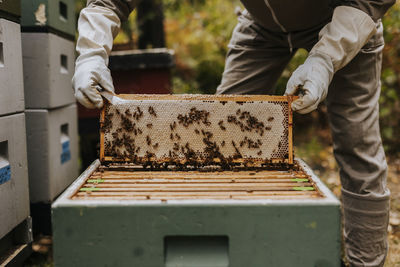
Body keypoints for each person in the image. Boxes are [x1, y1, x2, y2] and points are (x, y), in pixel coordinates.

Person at [73, 0, 395, 266]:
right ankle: (227, 249)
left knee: (357, 145)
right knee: (218, 142)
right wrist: (91, 54)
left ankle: (366, 261)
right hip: (261, 29)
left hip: (349, 20)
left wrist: (325, 58)